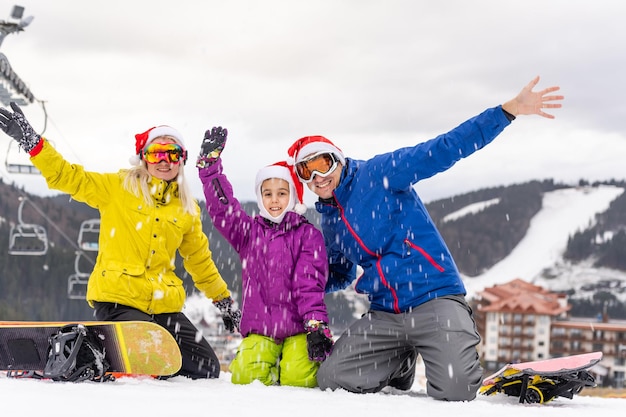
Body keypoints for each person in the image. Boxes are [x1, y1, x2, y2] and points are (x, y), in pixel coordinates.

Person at [285, 76, 564, 400]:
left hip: (434, 298)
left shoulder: (379, 174)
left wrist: (506, 111)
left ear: (338, 158)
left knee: (456, 390)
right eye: (307, 172)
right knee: (333, 379)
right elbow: (341, 273)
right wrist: (299, 283)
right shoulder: (330, 220)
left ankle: (451, 351)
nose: (318, 177)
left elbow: (441, 149)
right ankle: (400, 362)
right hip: (385, 313)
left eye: (323, 164)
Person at [0, 102, 242, 380]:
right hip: (120, 302)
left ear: (182, 160)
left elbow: (199, 261)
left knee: (206, 368)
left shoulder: (186, 208)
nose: (165, 160)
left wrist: (223, 301)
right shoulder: (117, 188)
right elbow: (67, 177)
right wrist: (33, 143)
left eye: (172, 153)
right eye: (156, 153)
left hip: (163, 308)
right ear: (144, 157)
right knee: (149, 354)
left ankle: (103, 354)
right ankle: (82, 353)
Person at [197, 126, 333, 387]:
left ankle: (287, 366)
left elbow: (309, 284)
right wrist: (210, 170)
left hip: (299, 329)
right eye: (267, 193)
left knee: (299, 380)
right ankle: (268, 366)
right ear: (259, 197)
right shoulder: (248, 232)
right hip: (261, 329)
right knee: (246, 379)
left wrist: (316, 326)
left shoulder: (308, 235)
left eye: (282, 193)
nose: (274, 200)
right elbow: (223, 210)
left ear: (293, 196)